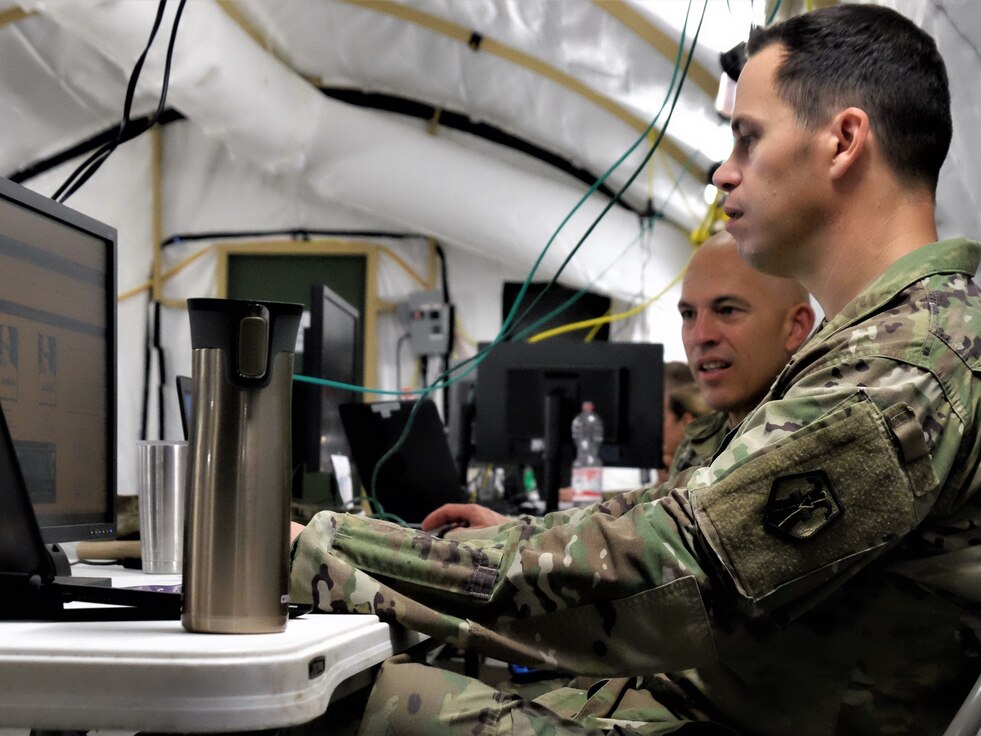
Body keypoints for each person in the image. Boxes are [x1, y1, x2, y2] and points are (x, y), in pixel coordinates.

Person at [289, 5, 981, 734]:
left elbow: (669, 568)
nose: (723, 171)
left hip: (702, 714)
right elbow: (686, 515)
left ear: (841, 141)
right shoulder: (890, 341)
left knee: (346, 704)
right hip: (683, 700)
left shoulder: (903, 364)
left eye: (748, 138)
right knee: (378, 680)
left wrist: (326, 549)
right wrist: (494, 541)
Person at [666, 230, 814, 481]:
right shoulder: (698, 443)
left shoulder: (817, 438)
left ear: (795, 327)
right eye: (688, 314)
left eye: (727, 310)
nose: (700, 336)